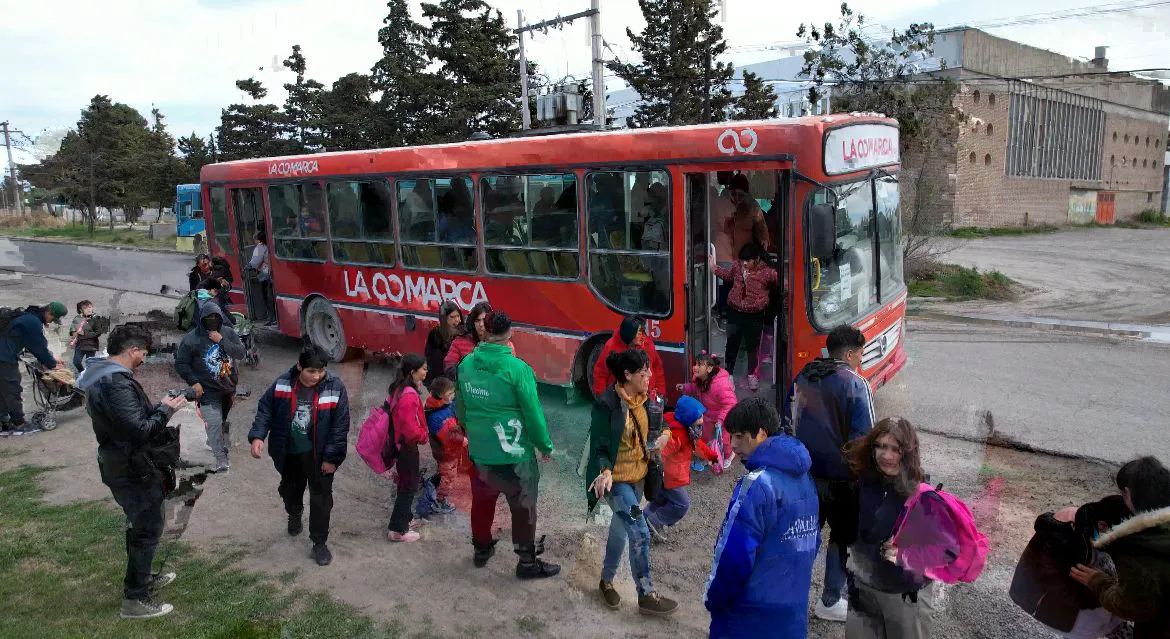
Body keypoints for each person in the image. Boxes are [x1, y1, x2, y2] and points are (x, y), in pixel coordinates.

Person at [76, 324, 188, 619]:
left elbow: (128, 421)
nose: (144, 359)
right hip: (130, 467)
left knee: (141, 526)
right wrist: (166, 410)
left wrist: (158, 408)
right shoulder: (115, 383)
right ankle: (135, 599)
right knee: (147, 528)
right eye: (144, 354)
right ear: (133, 351)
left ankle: (143, 576)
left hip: (122, 462)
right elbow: (139, 432)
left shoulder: (100, 374)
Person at [705, 398, 819, 639]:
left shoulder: (757, 485)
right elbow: (812, 542)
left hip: (749, 618)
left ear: (761, 434)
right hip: (792, 614)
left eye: (740, 436)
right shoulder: (805, 478)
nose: (733, 445)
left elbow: (734, 557)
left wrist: (714, 599)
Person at [456, 311, 559, 578]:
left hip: (480, 455)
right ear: (510, 333)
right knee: (523, 509)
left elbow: (461, 409)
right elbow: (533, 415)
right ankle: (526, 563)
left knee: (481, 503)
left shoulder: (465, 365)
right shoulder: (519, 370)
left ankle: (481, 550)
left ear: (484, 332)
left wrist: (476, 433)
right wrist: (544, 446)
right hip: (516, 459)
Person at [783, 324, 875, 623]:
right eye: (859, 355)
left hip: (802, 476)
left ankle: (790, 595)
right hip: (841, 481)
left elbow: (787, 422)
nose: (860, 360)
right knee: (841, 538)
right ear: (849, 353)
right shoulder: (855, 384)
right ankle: (830, 600)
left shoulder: (803, 376)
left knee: (803, 536)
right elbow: (866, 441)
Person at [587, 348, 678, 616]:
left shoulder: (646, 399)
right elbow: (600, 447)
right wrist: (604, 471)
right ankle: (647, 594)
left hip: (639, 482)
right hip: (617, 485)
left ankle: (606, 581)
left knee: (619, 529)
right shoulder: (606, 405)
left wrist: (665, 435)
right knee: (639, 532)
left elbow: (659, 425)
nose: (650, 375)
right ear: (627, 375)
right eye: (643, 371)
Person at [248, 346, 351, 566]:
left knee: (321, 499)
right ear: (299, 367)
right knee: (290, 491)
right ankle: (294, 514)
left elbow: (340, 427)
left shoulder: (335, 388)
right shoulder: (282, 384)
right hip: (289, 454)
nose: (316, 376)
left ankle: (319, 542)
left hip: (319, 457)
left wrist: (331, 459)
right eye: (311, 371)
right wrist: (258, 436)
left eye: (321, 371)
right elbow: (266, 409)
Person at [845, 417, 935, 639]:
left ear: (908, 452)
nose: (886, 455)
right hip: (863, 587)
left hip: (903, 594)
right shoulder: (863, 479)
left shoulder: (922, 493)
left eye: (895, 449)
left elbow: (943, 550)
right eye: (881, 446)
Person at [1070, 456, 1170, 638]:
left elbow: (1132, 606)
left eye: (1123, 495)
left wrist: (1098, 582)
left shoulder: (1138, 549)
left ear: (1129, 493)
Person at [174, 294, 246, 473]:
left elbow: (240, 353)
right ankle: (221, 458)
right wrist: (194, 382)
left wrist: (221, 341)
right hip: (206, 391)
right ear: (202, 319)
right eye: (208, 318)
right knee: (213, 422)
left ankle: (214, 440)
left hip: (228, 388)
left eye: (216, 317)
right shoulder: (191, 339)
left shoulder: (228, 332)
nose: (212, 320)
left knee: (221, 420)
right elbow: (181, 363)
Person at [644, 395, 718, 542]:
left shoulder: (687, 431)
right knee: (682, 504)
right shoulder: (679, 435)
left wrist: (711, 456)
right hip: (670, 478)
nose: (702, 421)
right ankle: (654, 521)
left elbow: (698, 445)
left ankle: (643, 521)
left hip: (664, 476)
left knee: (660, 499)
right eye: (698, 418)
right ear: (688, 419)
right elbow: (662, 451)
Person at [709, 242, 778, 391]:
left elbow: (782, 283)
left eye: (748, 261)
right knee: (732, 344)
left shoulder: (767, 273)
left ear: (757, 259)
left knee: (752, 347)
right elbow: (728, 276)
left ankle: (752, 375)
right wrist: (713, 267)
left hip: (755, 315)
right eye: (742, 261)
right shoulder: (737, 266)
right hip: (735, 311)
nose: (744, 264)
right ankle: (729, 374)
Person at [0, 301, 66, 437]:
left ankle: (3, 421)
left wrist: (50, 359)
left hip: (4, 353)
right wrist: (52, 364)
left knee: (3, 389)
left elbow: (27, 343)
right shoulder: (32, 322)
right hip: (4, 357)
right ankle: (19, 424)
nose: (52, 322)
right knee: (12, 389)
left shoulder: (26, 316)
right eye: (53, 318)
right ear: (49, 313)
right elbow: (38, 347)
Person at [387, 353, 430, 542]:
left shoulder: (401, 388)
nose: (426, 371)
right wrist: (423, 436)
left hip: (401, 444)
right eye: (424, 369)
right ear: (413, 372)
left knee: (406, 482)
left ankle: (406, 518)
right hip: (407, 446)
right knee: (409, 485)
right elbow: (409, 428)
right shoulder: (408, 395)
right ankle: (397, 530)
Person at [680, 352, 738, 472]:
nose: (695, 367)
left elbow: (730, 403)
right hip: (708, 414)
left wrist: (721, 419)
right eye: (695, 364)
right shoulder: (701, 379)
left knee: (724, 440)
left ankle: (728, 455)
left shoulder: (720, 384)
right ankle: (705, 455)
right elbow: (695, 388)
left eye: (699, 365)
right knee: (703, 436)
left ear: (709, 368)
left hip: (722, 416)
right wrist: (685, 388)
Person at [419, 376, 467, 516]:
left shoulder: (436, 404)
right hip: (446, 451)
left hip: (442, 450)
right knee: (449, 476)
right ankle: (440, 501)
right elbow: (448, 437)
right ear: (441, 396)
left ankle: (435, 481)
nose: (453, 396)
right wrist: (463, 440)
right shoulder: (439, 416)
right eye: (450, 394)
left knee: (444, 470)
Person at [591, 315, 667, 400]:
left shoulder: (647, 343)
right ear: (629, 336)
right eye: (639, 333)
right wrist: (602, 398)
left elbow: (657, 367)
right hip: (621, 400)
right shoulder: (611, 347)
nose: (643, 336)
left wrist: (660, 392)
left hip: (646, 398)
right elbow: (600, 374)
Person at [443, 302, 513, 379]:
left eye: (484, 320)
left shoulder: (505, 344)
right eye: (477, 320)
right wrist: (471, 372)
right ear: (473, 323)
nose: (481, 324)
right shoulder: (459, 342)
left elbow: (510, 372)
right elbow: (449, 368)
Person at [425, 301, 463, 385]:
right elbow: (435, 365)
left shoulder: (460, 332)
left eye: (458, 316)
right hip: (442, 382)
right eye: (452, 317)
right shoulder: (436, 335)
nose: (457, 320)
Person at [69, 300, 106, 373]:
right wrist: (73, 332)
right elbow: (73, 326)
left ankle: (89, 376)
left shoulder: (96, 318)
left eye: (90, 307)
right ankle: (82, 372)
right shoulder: (77, 318)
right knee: (76, 362)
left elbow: (98, 332)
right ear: (81, 310)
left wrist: (84, 333)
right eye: (85, 308)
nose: (89, 309)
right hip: (80, 344)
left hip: (91, 345)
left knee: (90, 363)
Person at [247, 230, 275, 326]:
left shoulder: (260, 247)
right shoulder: (270, 244)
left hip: (265, 273)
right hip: (271, 272)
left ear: (258, 240)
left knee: (267, 296)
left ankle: (272, 318)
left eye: (255, 239)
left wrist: (249, 266)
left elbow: (256, 260)